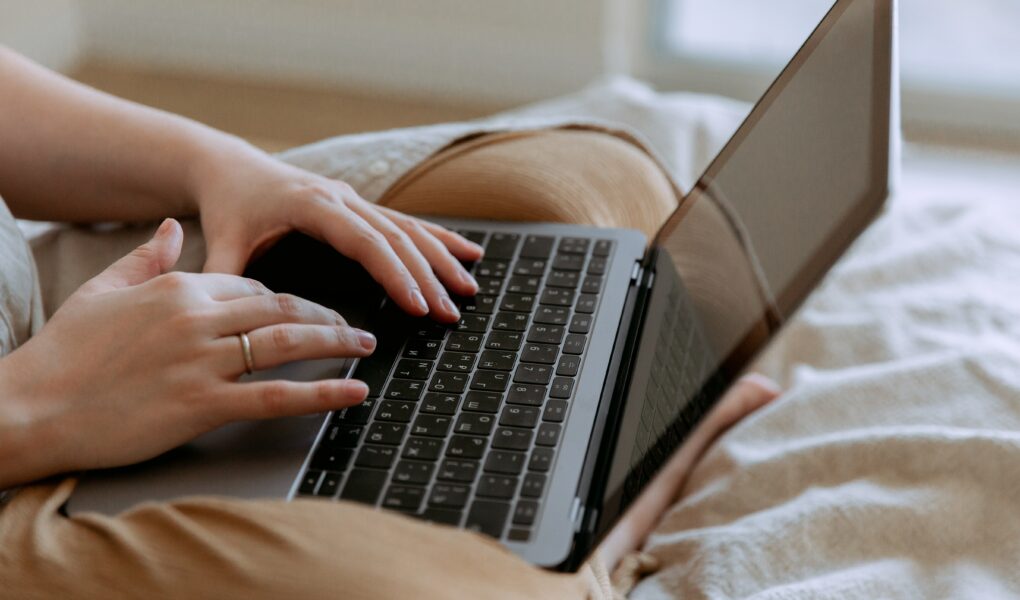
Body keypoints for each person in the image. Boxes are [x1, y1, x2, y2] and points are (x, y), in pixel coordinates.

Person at [0, 46, 779, 598]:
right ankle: (587, 544)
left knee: (595, 188)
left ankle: (549, 492)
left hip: (39, 307)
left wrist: (227, 169)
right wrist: (37, 405)